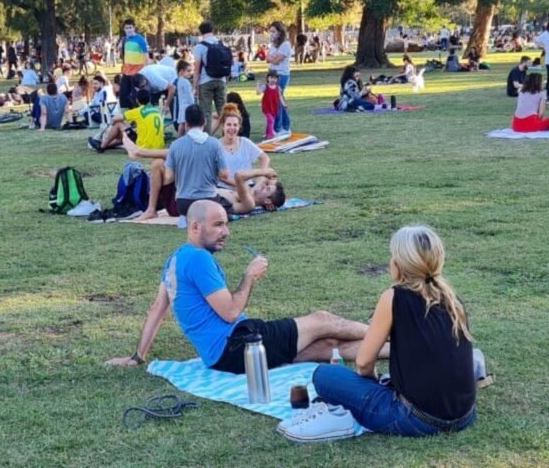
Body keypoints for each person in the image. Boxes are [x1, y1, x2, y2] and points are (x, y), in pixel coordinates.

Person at [106, 199, 386, 371]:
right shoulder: (198, 260)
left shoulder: (175, 260)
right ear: (195, 227)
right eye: (217, 225)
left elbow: (157, 309)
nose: (225, 232)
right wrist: (249, 276)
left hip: (221, 358)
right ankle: (391, 332)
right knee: (323, 320)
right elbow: (229, 312)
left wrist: (137, 356)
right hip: (238, 344)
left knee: (327, 347)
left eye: (226, 224)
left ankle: (398, 348)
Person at [308, 226, 475, 437]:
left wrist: (369, 383)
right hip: (464, 416)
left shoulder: (394, 297)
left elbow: (363, 362)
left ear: (398, 264)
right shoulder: (452, 299)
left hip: (417, 419)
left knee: (325, 375)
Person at [124, 105, 230, 220]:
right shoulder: (215, 144)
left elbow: (169, 177)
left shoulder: (177, 145)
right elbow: (225, 174)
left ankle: (139, 152)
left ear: (186, 124)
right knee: (162, 160)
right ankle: (139, 152)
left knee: (159, 163)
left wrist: (182, 169)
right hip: (209, 202)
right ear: (204, 123)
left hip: (183, 205)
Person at [88, 88, 164, 152]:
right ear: (149, 99)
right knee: (125, 131)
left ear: (137, 100)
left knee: (118, 124)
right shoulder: (155, 110)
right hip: (159, 146)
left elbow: (115, 119)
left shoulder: (138, 111)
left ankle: (101, 146)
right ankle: (105, 144)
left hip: (144, 146)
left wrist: (109, 127)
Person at [217, 103, 269, 189]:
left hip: (247, 187)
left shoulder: (245, 143)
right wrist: (241, 185)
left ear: (239, 126)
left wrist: (261, 177)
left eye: (235, 125)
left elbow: (265, 158)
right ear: (223, 126)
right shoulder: (216, 146)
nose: (232, 128)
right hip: (225, 189)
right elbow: (219, 176)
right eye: (229, 124)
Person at [193, 20, 227, 132]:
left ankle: (206, 138)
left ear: (201, 32)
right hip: (221, 80)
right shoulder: (221, 43)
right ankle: (226, 135)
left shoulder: (200, 47)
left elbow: (197, 69)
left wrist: (195, 86)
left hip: (205, 81)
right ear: (213, 30)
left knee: (206, 112)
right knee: (223, 111)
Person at [216, 168, 286, 214]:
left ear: (267, 201)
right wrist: (272, 180)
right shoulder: (250, 192)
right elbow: (268, 178)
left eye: (267, 189)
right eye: (266, 186)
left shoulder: (249, 204)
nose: (264, 186)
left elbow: (239, 176)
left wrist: (265, 172)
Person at [267, 21, 293, 134]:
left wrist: (273, 58)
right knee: (276, 101)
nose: (271, 34)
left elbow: (277, 60)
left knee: (278, 100)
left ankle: (281, 127)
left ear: (279, 32)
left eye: (273, 31)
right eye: (270, 31)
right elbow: (267, 59)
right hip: (272, 74)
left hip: (281, 75)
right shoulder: (273, 45)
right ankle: (282, 126)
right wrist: (273, 58)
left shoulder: (285, 45)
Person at [119, 18, 149, 110]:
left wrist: (145, 70)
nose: (128, 30)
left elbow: (146, 56)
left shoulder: (140, 39)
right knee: (123, 94)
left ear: (134, 27)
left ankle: (137, 115)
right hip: (126, 71)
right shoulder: (125, 39)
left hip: (137, 72)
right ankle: (128, 113)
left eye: (130, 27)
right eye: (126, 28)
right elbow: (123, 54)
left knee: (135, 95)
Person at [257, 70, 286, 139]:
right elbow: (258, 93)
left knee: (270, 121)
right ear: (268, 78)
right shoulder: (265, 86)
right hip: (266, 107)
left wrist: (284, 104)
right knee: (271, 120)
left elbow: (280, 97)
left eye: (275, 78)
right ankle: (271, 134)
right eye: (271, 78)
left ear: (277, 79)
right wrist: (258, 85)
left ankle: (267, 134)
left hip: (274, 107)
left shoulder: (278, 88)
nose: (273, 80)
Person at [173, 59, 195, 137]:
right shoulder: (185, 82)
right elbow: (189, 95)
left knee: (182, 123)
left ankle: (179, 138)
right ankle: (185, 137)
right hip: (187, 106)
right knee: (186, 123)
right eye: (188, 71)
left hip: (182, 105)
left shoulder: (179, 80)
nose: (190, 73)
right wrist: (193, 103)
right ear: (182, 71)